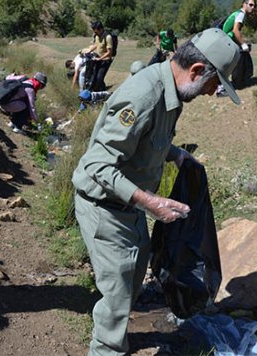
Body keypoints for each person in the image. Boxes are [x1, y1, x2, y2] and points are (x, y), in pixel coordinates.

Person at [71, 27, 240, 355]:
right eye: (214, 82)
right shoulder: (143, 95)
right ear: (196, 70)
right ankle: (107, 349)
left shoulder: (173, 93)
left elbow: (146, 140)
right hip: (103, 206)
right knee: (118, 294)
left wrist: (176, 154)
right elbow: (98, 165)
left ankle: (119, 333)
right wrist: (151, 203)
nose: (212, 92)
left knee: (135, 276)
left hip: (128, 206)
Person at [217, 0, 256, 96]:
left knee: (227, 64)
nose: (253, 7)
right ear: (244, 4)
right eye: (250, 5)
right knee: (226, 65)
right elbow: (235, 30)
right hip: (227, 41)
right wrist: (243, 44)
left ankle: (222, 86)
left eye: (254, 5)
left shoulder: (238, 13)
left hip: (224, 40)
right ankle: (220, 89)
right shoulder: (241, 14)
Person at [83, 21, 113, 91]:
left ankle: (102, 92)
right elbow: (97, 45)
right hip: (98, 59)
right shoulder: (97, 36)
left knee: (99, 78)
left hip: (106, 60)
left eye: (96, 32)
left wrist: (100, 58)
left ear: (101, 29)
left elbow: (109, 52)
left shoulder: (108, 37)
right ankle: (101, 90)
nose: (95, 33)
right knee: (95, 77)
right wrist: (89, 51)